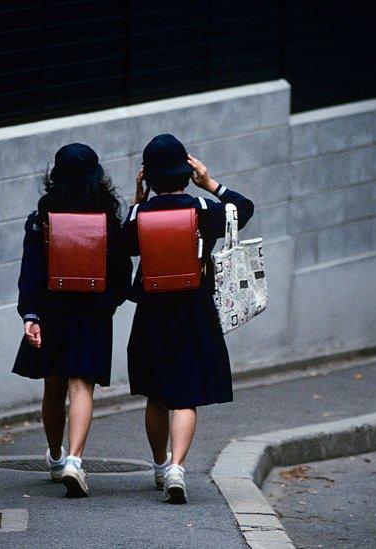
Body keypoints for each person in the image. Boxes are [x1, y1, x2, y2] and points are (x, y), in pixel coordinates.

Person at [123, 134, 254, 504]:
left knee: (156, 395)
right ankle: (179, 467)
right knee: (185, 394)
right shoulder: (203, 209)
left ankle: (160, 465)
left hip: (151, 312)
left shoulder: (138, 216)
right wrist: (210, 183)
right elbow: (244, 208)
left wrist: (138, 200)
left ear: (147, 177)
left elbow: (122, 245)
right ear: (186, 171)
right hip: (194, 309)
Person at [12, 143, 132, 498]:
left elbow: (30, 270)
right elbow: (122, 271)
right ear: (97, 181)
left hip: (52, 308)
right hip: (92, 310)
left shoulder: (41, 220)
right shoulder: (108, 222)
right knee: (82, 387)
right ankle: (75, 460)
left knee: (54, 386)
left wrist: (30, 315)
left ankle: (53, 456)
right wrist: (108, 304)